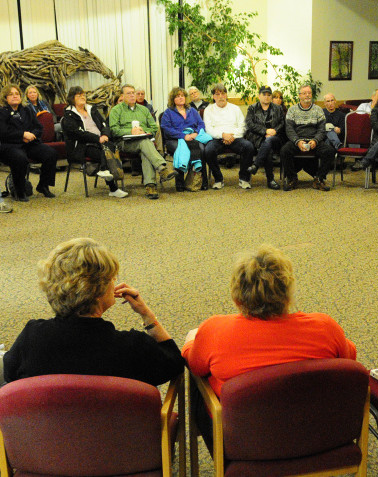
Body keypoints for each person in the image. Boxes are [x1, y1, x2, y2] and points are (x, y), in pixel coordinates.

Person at [182, 244, 357, 442]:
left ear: (237, 298)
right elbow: (350, 358)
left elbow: (195, 364)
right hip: (317, 436)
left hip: (248, 442)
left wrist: (191, 341)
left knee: (198, 379)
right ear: (288, 295)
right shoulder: (326, 328)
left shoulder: (214, 331)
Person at [3, 237, 184, 386]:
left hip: (48, 430)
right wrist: (147, 315)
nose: (115, 281)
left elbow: (11, 377)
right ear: (98, 289)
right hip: (117, 430)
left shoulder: (31, 337)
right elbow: (175, 362)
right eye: (112, 277)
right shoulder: (132, 347)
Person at [110, 83, 176, 199]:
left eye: (133, 93)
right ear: (123, 95)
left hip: (143, 141)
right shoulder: (116, 110)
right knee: (146, 144)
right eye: (128, 93)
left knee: (145, 146)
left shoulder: (144, 110)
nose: (131, 95)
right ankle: (161, 168)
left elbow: (154, 128)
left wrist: (142, 130)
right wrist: (131, 131)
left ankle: (151, 186)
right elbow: (114, 130)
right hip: (124, 143)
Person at [61, 86, 128, 198]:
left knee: (110, 146)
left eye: (83, 95)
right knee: (107, 154)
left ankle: (104, 170)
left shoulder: (92, 109)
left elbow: (104, 124)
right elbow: (78, 134)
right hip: (82, 146)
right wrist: (97, 139)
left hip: (100, 142)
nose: (82, 97)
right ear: (72, 98)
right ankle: (112, 187)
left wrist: (105, 134)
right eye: (79, 95)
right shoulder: (69, 115)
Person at [0, 83, 58, 201]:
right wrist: (22, 135)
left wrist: (31, 135)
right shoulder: (2, 112)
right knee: (20, 159)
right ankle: (19, 191)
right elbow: (3, 132)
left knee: (51, 153)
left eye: (17, 94)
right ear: (5, 98)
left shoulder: (26, 110)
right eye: (11, 94)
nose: (15, 96)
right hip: (10, 146)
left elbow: (39, 127)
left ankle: (43, 185)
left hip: (30, 143)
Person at [280, 84, 334, 191]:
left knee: (329, 151)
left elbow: (322, 129)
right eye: (304, 93)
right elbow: (289, 129)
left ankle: (319, 179)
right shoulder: (292, 110)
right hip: (297, 140)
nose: (307, 95)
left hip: (314, 140)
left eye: (309, 93)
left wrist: (315, 140)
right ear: (299, 96)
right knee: (284, 151)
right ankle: (292, 179)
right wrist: (298, 141)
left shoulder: (318, 110)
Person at [202, 83, 255, 190]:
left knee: (249, 147)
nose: (221, 96)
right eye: (217, 94)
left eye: (223, 93)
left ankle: (244, 179)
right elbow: (208, 129)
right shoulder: (208, 110)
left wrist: (232, 136)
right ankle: (218, 179)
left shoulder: (235, 108)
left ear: (226, 95)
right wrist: (222, 135)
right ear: (213, 97)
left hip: (234, 138)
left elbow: (243, 127)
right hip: (217, 138)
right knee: (208, 150)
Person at [160, 86, 207, 191]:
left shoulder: (192, 111)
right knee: (181, 150)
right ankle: (180, 183)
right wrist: (183, 136)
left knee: (202, 149)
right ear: (173, 99)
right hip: (174, 139)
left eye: (182, 96)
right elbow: (166, 129)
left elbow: (201, 124)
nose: (181, 98)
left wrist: (196, 133)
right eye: (177, 96)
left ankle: (200, 181)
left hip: (192, 137)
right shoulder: (168, 112)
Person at [244, 85, 284, 190]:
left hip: (275, 138)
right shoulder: (252, 108)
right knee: (268, 150)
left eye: (269, 95)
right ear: (259, 96)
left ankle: (256, 165)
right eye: (264, 94)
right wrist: (265, 131)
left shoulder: (278, 108)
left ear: (271, 97)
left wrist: (274, 131)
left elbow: (282, 123)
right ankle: (270, 180)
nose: (266, 97)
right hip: (257, 138)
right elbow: (249, 124)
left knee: (269, 141)